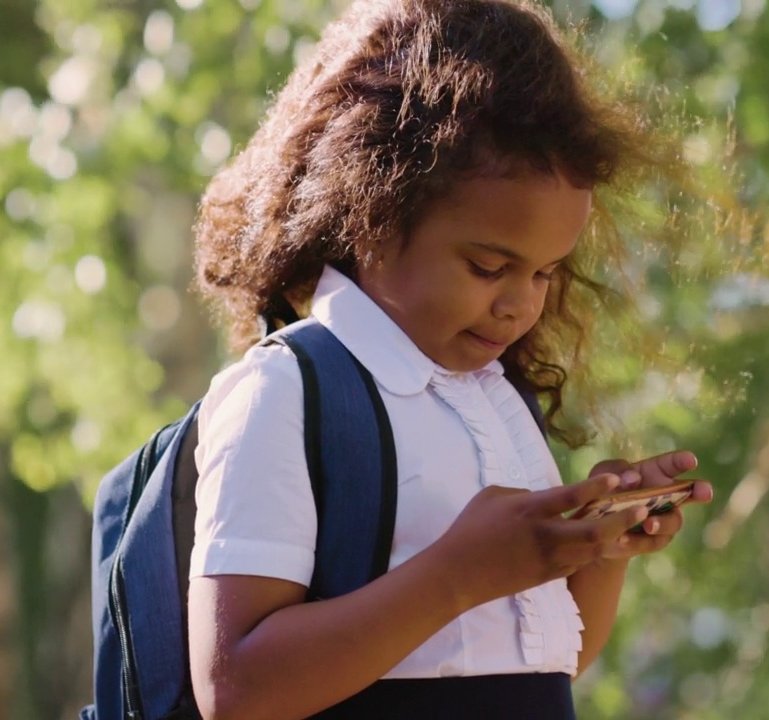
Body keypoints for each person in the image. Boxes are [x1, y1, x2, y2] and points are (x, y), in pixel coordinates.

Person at [187, 0, 713, 717]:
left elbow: (547, 663)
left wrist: (596, 549)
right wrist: (457, 576)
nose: (521, 306)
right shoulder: (288, 392)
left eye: (544, 273)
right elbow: (234, 688)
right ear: (376, 212)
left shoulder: (497, 398)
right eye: (489, 266)